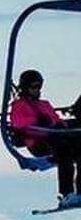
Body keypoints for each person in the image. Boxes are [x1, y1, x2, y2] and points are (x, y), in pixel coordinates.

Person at [9, 68, 81, 208]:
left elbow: (58, 121)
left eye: (39, 86)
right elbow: (23, 126)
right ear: (25, 87)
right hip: (39, 143)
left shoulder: (44, 104)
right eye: (33, 87)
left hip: (57, 137)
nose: (37, 90)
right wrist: (50, 129)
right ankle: (66, 194)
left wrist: (64, 127)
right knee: (64, 152)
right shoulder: (20, 106)